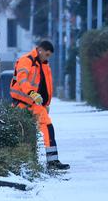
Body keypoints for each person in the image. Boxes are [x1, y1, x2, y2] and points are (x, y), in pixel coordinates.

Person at [10, 40, 70, 170]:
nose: (48, 57)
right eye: (47, 54)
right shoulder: (26, 60)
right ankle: (29, 161)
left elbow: (45, 85)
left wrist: (46, 103)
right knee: (22, 131)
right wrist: (32, 93)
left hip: (34, 103)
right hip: (23, 102)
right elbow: (22, 80)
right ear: (40, 50)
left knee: (46, 127)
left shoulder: (43, 64)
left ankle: (51, 161)